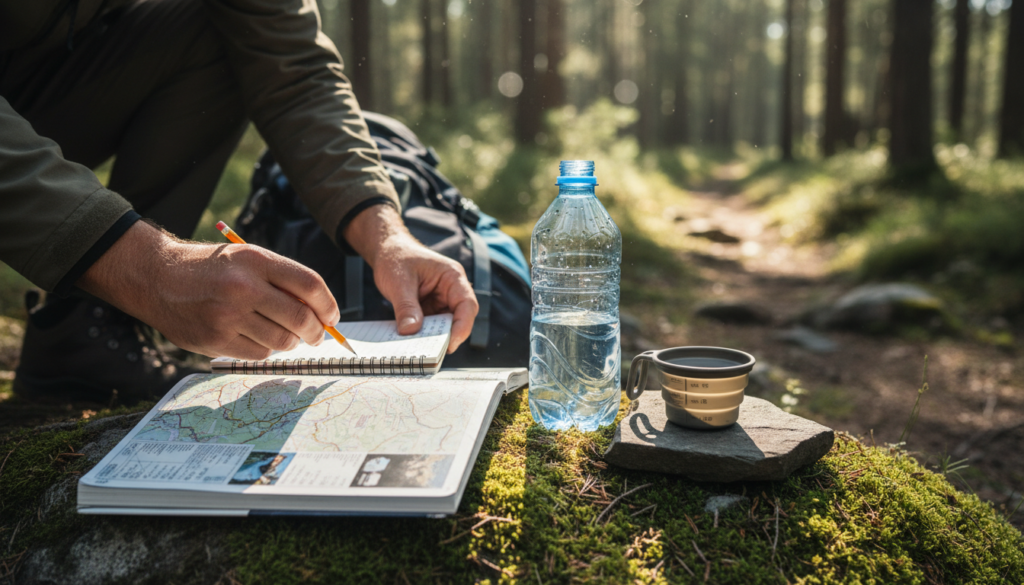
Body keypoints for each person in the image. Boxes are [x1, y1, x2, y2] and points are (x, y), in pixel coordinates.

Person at [0, 0, 479, 403]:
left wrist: (386, 236)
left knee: (217, 30)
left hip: (38, 95)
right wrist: (152, 270)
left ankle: (89, 330)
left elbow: (295, 70)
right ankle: (116, 303)